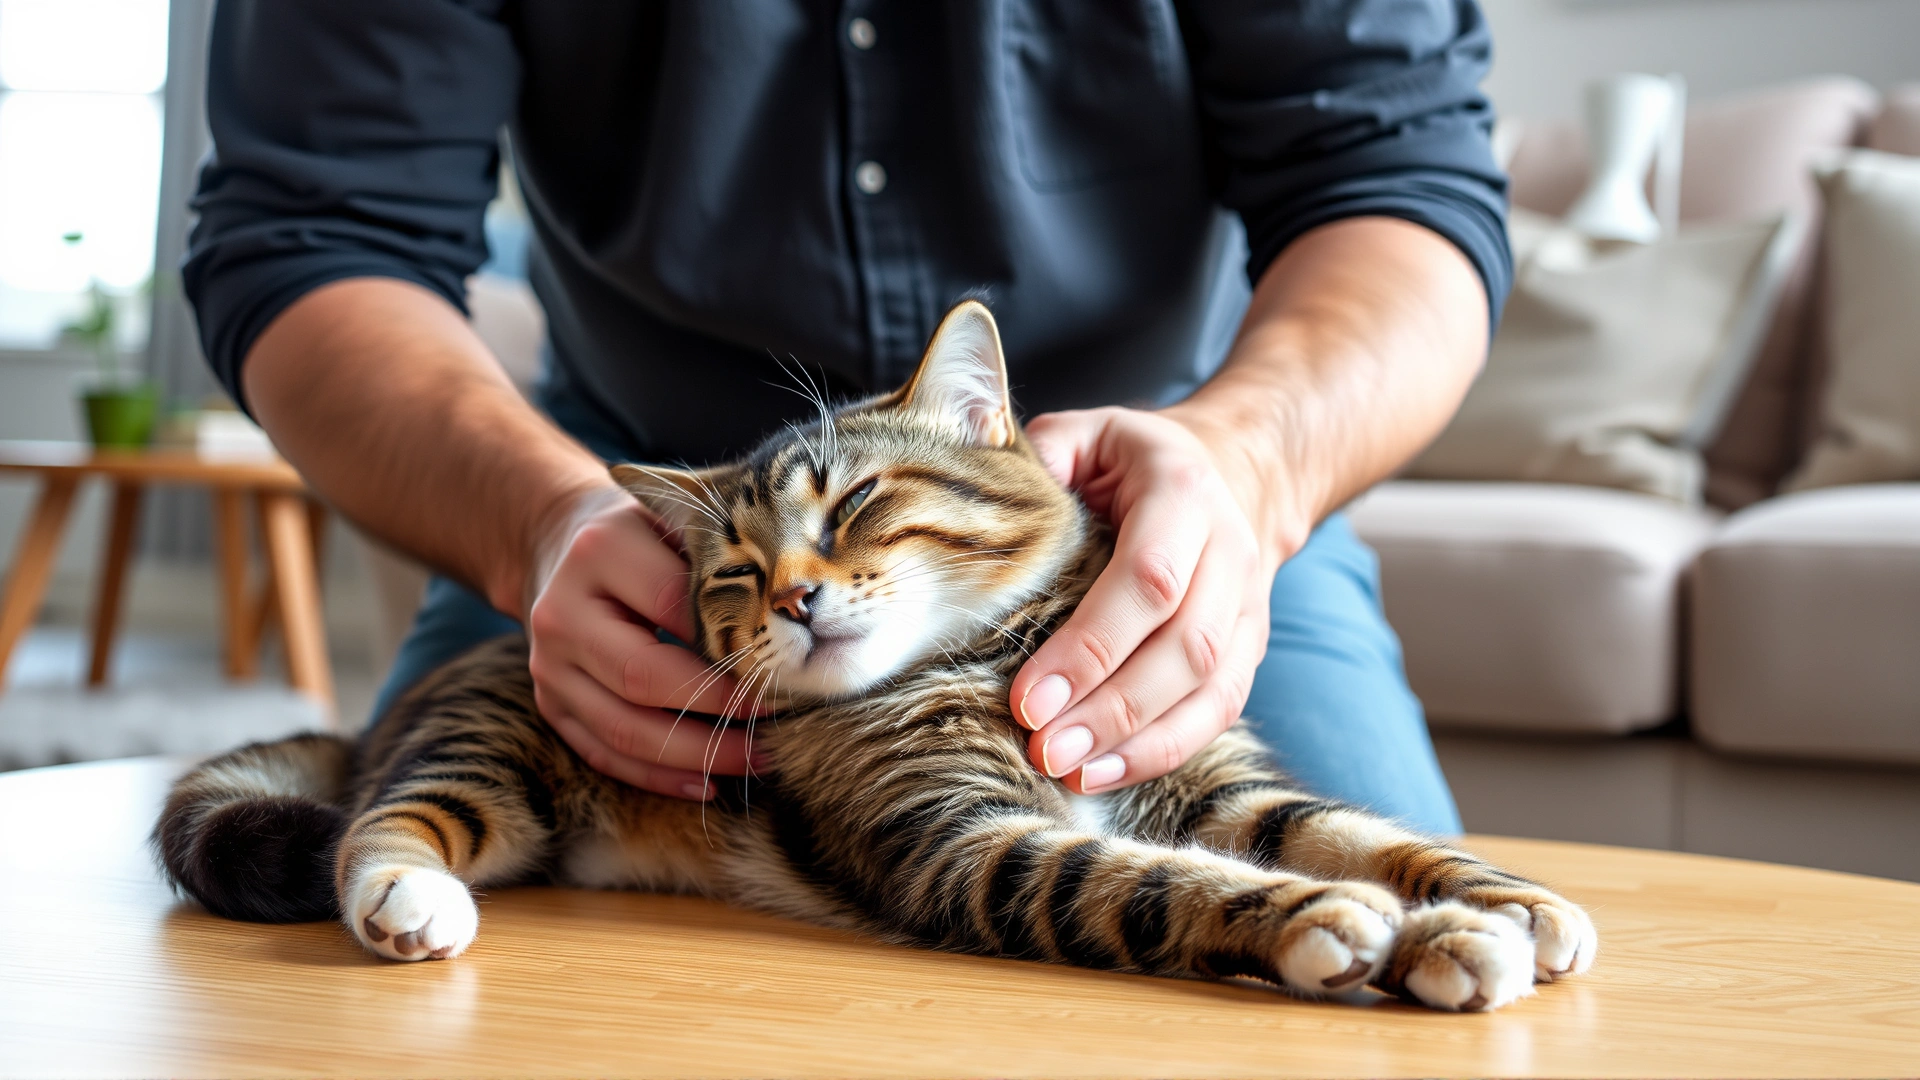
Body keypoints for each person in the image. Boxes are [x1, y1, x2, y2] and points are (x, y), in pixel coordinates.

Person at [184, 1, 1508, 835]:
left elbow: (1400, 179)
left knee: (1389, 955)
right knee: (375, 950)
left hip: (1159, 504)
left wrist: (1251, 464)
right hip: (628, 539)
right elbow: (313, 231)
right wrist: (539, 519)